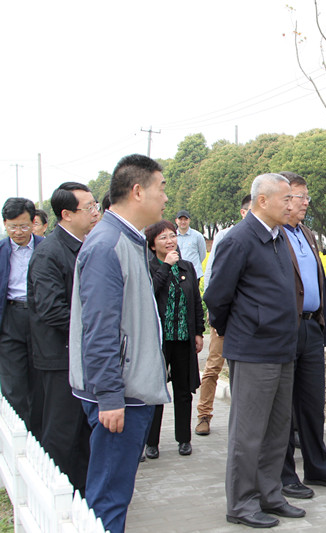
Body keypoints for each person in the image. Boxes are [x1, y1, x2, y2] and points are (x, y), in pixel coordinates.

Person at [69, 154, 171, 533]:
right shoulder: (107, 244)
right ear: (138, 191)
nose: (165, 198)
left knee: (115, 493)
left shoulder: (127, 240)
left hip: (127, 393)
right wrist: (110, 397)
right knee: (109, 499)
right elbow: (99, 329)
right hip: (119, 398)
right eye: (161, 188)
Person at [204, 173, 305, 529]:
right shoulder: (238, 239)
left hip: (282, 348)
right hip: (253, 351)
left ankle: (270, 494)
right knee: (248, 434)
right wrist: (240, 330)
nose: (291, 205)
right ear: (263, 200)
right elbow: (217, 296)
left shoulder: (278, 237)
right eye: (286, 199)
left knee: (277, 429)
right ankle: (242, 503)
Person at [278, 172, 326, 500]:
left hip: (310, 326)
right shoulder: (273, 234)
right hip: (284, 329)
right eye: (300, 196)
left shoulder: (306, 234)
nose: (306, 202)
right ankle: (284, 475)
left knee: (312, 402)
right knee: (283, 406)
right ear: (284, 199)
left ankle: (318, 467)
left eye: (307, 197)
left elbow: (319, 281)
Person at [27, 182, 99, 494]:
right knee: (62, 432)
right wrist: (96, 327)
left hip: (79, 354)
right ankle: (55, 497)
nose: (95, 212)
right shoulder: (50, 253)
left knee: (83, 432)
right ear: (66, 214)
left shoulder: (85, 245)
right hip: (59, 358)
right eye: (89, 207)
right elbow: (51, 310)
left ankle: (82, 494)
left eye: (96, 205)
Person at [143, 220, 203, 459]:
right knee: (155, 391)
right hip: (159, 340)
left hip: (182, 338)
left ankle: (184, 439)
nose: (170, 241)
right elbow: (149, 293)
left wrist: (198, 332)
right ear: (152, 245)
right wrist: (166, 266)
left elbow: (196, 301)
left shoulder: (187, 267)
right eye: (163, 238)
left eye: (172, 236)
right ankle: (151, 442)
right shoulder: (148, 268)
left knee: (183, 390)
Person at [195, 194, 251, 436]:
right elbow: (212, 273)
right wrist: (213, 309)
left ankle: (243, 420)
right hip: (225, 314)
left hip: (247, 318)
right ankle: (204, 415)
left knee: (246, 371)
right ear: (243, 212)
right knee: (213, 366)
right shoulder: (226, 236)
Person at [0, 197, 44, 433]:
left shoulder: (45, 247)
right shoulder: (1, 251)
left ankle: (38, 435)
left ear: (33, 222)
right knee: (14, 384)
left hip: (40, 317)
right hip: (10, 316)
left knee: (40, 382)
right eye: (13, 226)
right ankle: (19, 435)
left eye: (24, 226)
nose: (18, 232)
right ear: (5, 224)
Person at [174, 209, 206, 280]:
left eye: (185, 219)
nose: (183, 222)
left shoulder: (197, 236)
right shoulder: (173, 237)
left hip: (194, 273)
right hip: (178, 274)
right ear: (176, 221)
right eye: (180, 219)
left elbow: (202, 254)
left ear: (189, 220)